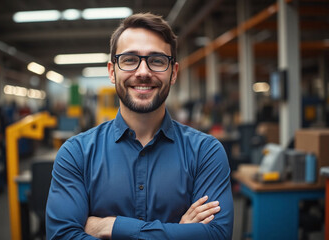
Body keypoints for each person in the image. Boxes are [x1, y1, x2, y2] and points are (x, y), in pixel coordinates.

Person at [46, 12, 233, 239]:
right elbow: (62, 236)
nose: (143, 72)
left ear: (173, 73)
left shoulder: (206, 152)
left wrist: (111, 227)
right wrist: (181, 233)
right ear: (112, 71)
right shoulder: (76, 154)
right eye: (129, 60)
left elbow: (217, 235)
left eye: (157, 60)